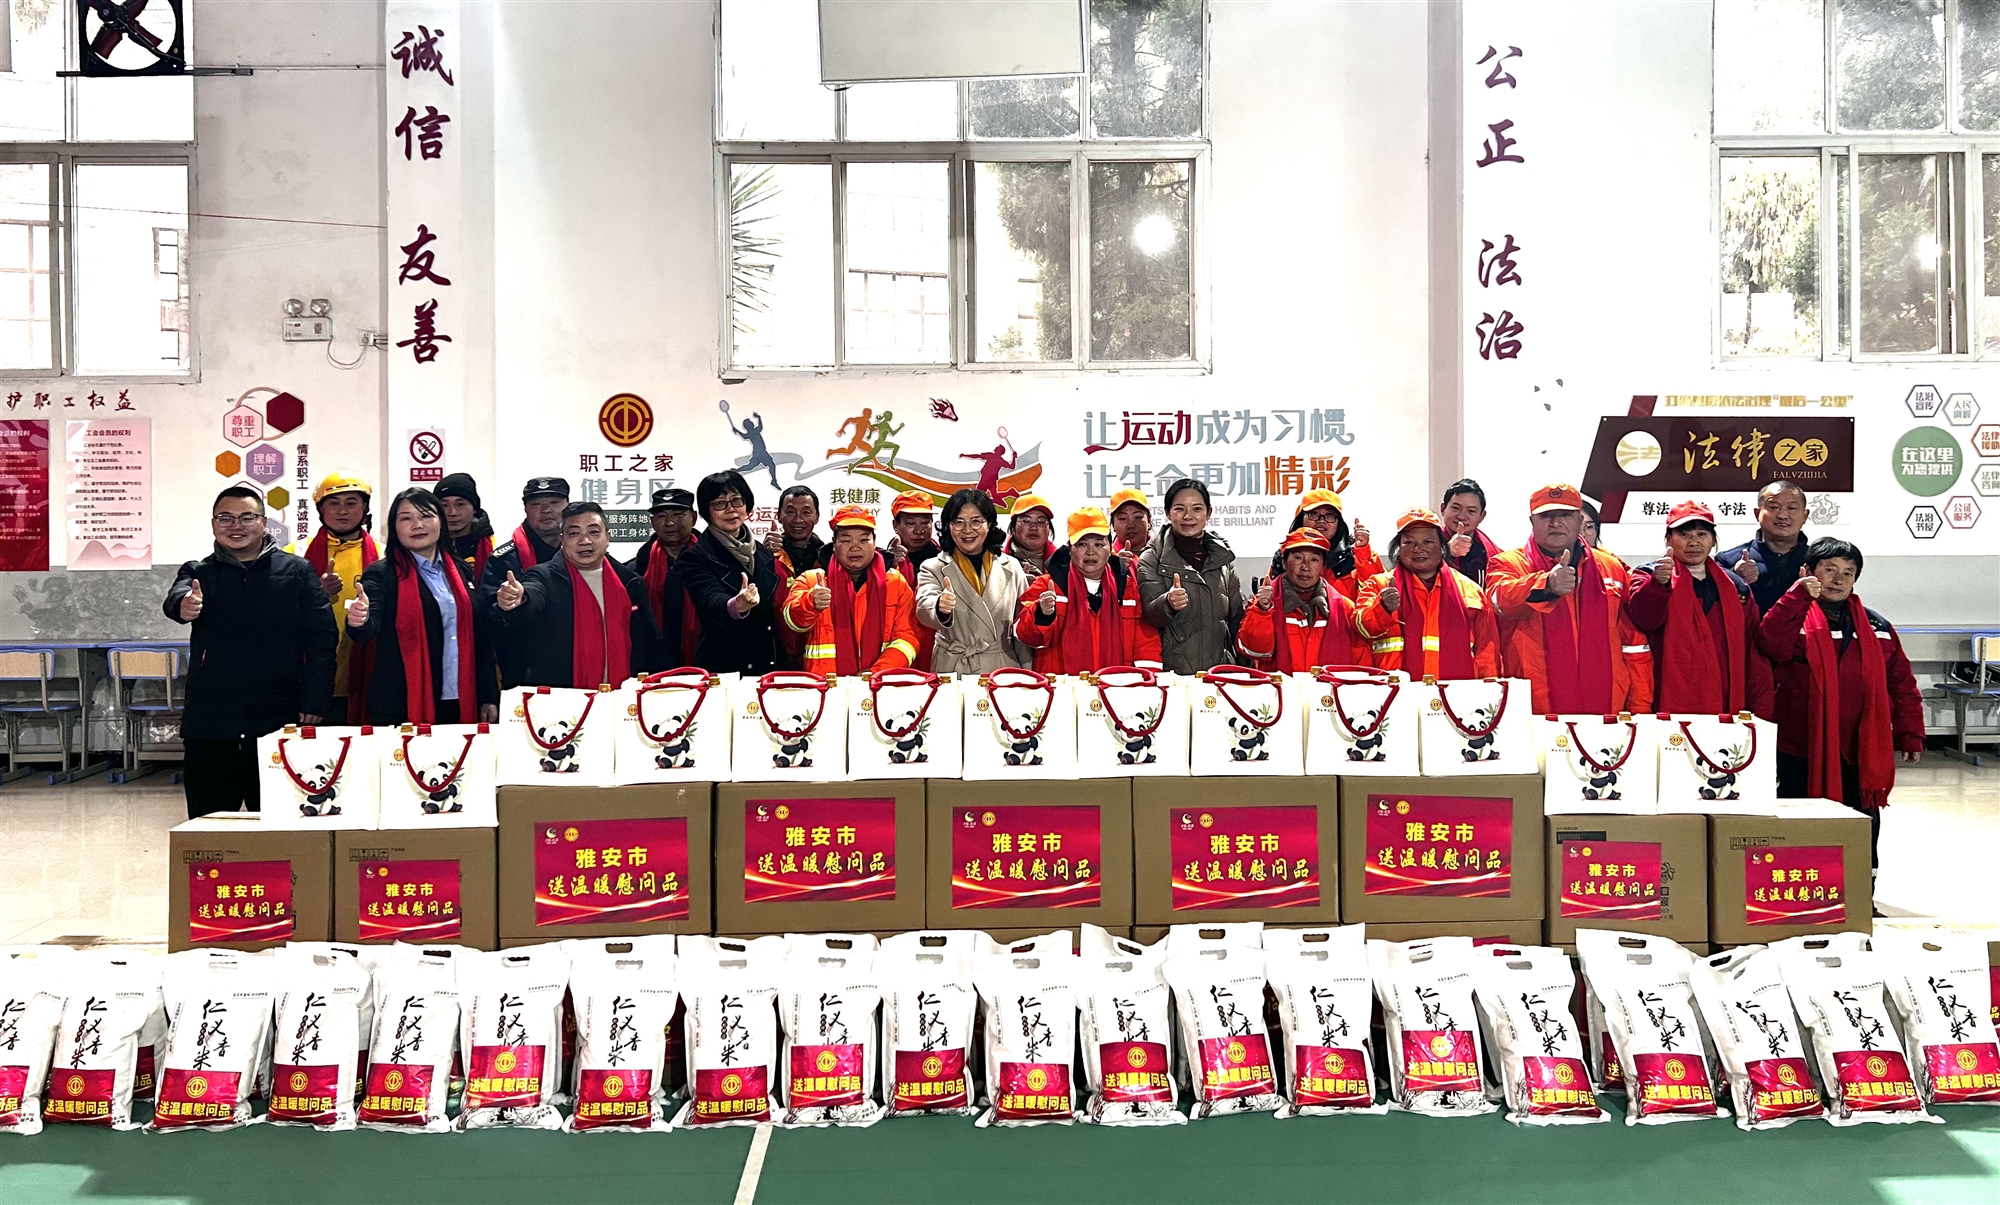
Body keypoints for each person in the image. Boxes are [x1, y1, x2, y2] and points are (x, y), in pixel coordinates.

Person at [163, 486, 336, 817]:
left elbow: (322, 639)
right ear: (213, 524)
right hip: (212, 719)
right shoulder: (198, 572)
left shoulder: (296, 572)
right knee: (209, 822)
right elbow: (177, 597)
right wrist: (183, 605)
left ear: (264, 523)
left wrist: (315, 701)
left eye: (246, 517)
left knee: (281, 820)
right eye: (225, 518)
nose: (236, 526)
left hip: (280, 715)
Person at [1757, 538, 1924, 872]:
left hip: (1859, 749)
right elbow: (1771, 643)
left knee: (1862, 820)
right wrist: (1797, 596)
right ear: (1809, 571)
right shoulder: (1791, 616)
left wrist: (1910, 733)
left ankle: (1861, 886)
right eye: (1829, 569)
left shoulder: (1878, 628)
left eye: (1848, 573)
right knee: (1800, 820)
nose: (1838, 579)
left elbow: (1901, 683)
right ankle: (1803, 885)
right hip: (1800, 747)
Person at [1487, 483, 1654, 715]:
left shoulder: (1612, 568)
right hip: (1534, 711)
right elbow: (1501, 600)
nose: (1555, 523)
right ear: (1532, 521)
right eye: (1546, 516)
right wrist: (1547, 584)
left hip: (1606, 709)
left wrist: (1639, 707)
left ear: (1579, 520)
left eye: (1565, 515)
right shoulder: (1507, 564)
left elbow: (1633, 644)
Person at [344, 488, 499, 725]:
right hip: (401, 706)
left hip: (461, 699)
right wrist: (358, 620)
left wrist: (488, 696)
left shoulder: (460, 571)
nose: (418, 525)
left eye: (426, 516)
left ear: (440, 522)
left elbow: (481, 637)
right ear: (394, 527)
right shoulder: (381, 574)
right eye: (406, 518)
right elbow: (366, 630)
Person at [1626, 501, 1773, 718]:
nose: (1693, 542)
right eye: (1684, 534)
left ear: (1713, 540)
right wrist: (1657, 585)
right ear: (1669, 539)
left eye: (1701, 534)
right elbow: (1643, 620)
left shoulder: (1735, 586)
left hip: (1726, 702)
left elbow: (1752, 649)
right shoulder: (1648, 575)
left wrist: (1759, 709)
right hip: (1665, 698)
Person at [493, 501, 655, 688]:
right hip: (562, 696)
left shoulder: (629, 582)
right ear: (562, 539)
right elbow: (532, 594)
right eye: (574, 533)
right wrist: (519, 598)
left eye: (594, 532)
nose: (585, 541)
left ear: (607, 537)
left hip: (624, 695)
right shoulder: (544, 577)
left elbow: (649, 641)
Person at [1354, 508, 1501, 679]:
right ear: (1398, 548)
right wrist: (1382, 608)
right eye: (1409, 542)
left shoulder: (1471, 590)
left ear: (1442, 547)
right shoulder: (1378, 585)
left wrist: (1490, 689)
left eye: (1428, 542)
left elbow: (1487, 652)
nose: (1418, 549)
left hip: (1454, 693)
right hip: (1394, 692)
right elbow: (1360, 628)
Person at [1015, 507, 1162, 673]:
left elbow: (1146, 642)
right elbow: (1024, 636)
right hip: (1062, 685)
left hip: (1114, 683)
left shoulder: (1127, 588)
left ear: (1110, 548)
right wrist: (1042, 614)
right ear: (1069, 549)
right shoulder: (1046, 586)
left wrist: (1148, 679)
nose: (1091, 552)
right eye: (1082, 544)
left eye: (1099, 544)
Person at [782, 505, 920, 675]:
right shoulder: (811, 580)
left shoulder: (896, 583)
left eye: (864, 540)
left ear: (874, 543)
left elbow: (908, 637)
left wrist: (878, 671)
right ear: (834, 544)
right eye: (846, 540)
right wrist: (810, 603)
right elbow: (790, 622)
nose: (855, 547)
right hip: (825, 684)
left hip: (878, 684)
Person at [674, 469, 784, 675]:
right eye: (720, 504)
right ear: (707, 512)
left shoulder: (762, 552)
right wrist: (736, 605)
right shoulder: (694, 556)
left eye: (736, 500)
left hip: (767, 663)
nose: (731, 509)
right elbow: (709, 598)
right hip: (724, 667)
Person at [1138, 478, 1245, 674]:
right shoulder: (1151, 558)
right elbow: (1149, 616)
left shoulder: (1223, 559)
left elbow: (1236, 618)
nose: (1188, 516)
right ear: (1167, 513)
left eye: (1197, 509)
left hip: (1219, 674)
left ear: (1208, 513)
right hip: (1173, 676)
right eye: (1179, 509)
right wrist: (1167, 603)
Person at [915, 489, 1028, 674]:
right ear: (948, 526)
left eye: (976, 521)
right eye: (958, 522)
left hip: (1001, 667)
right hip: (953, 667)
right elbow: (923, 609)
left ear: (989, 524)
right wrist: (940, 607)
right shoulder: (933, 567)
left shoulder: (1012, 566)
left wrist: (1028, 673)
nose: (967, 530)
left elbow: (1024, 626)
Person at [1237, 530, 1370, 672]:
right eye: (1298, 557)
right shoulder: (1262, 605)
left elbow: (1361, 664)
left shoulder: (1344, 608)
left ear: (1323, 567)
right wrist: (1262, 613)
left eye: (1314, 559)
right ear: (1284, 562)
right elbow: (1253, 651)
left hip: (1329, 687)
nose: (1305, 567)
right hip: (1280, 687)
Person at [479, 476, 569, 687]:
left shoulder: (580, 553)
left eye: (554, 503)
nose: (546, 510)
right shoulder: (503, 559)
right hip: (521, 666)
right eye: (536, 504)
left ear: (567, 506)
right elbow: (487, 617)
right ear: (526, 509)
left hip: (572, 659)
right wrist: (508, 605)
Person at [302, 471, 376, 722]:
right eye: (334, 503)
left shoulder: (384, 555)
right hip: (311, 682)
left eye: (351, 503)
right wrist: (316, 594)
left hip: (367, 673)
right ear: (320, 509)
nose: (342, 511)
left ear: (364, 508)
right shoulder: (295, 554)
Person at [1265, 489, 1383, 601]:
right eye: (1314, 514)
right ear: (1301, 519)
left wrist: (1363, 552)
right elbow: (1265, 603)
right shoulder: (1285, 556)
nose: (1321, 520)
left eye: (1330, 515)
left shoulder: (1357, 556)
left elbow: (1379, 595)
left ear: (1339, 523)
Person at [1721, 479, 1812, 613]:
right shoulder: (1728, 560)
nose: (1782, 515)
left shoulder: (1818, 561)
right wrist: (1735, 578)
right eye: (1773, 507)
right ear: (1757, 513)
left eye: (1791, 508)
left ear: (1805, 516)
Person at [634, 487, 701, 665]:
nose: (669, 522)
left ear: (693, 518)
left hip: (705, 659)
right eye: (661, 516)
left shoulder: (713, 561)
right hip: (653, 662)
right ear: (652, 521)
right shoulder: (637, 568)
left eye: (678, 514)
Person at [767, 485, 825, 668]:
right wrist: (763, 556)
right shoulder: (765, 555)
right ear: (779, 516)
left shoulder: (830, 557)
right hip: (775, 653)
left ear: (817, 516)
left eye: (806, 512)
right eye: (790, 512)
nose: (798, 519)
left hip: (819, 651)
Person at [885, 490, 941, 670]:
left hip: (936, 649)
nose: (919, 530)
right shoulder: (878, 563)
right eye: (910, 523)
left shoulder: (945, 560)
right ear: (895, 525)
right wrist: (888, 564)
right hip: (896, 650)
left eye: (925, 522)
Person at [435, 472, 494, 588]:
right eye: (444, 505)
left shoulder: (493, 546)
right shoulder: (426, 547)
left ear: (474, 509)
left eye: (460, 504)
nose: (452, 513)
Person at [1439, 478, 1501, 586]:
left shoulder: (1491, 552)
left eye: (1471, 511)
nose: (1462, 516)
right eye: (1455, 508)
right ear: (1443, 509)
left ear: (1482, 516)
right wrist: (1446, 553)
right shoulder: (1425, 543)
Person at [1002, 494, 1056, 577]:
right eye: (1026, 520)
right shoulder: (998, 561)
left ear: (1049, 530)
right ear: (1013, 528)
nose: (1033, 528)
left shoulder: (1065, 563)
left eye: (1041, 521)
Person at [1109, 487, 1152, 568]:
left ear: (1149, 520)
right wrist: (1116, 568)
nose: (1130, 525)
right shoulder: (1106, 559)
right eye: (1123, 518)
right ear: (1113, 524)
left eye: (1138, 517)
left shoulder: (1163, 552)